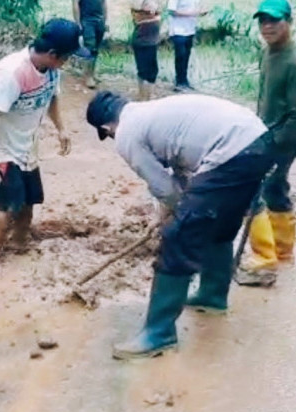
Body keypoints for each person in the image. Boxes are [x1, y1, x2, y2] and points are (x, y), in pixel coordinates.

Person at [86, 91, 274, 359]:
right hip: (258, 141)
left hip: (232, 151)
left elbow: (164, 187)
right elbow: (183, 172)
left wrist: (177, 214)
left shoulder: (127, 133)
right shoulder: (150, 113)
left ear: (107, 128)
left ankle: (159, 333)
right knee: (218, 223)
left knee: (178, 236)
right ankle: (212, 295)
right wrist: (184, 204)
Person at [0, 19, 86, 280]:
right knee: (8, 205)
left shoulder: (52, 69)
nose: (68, 62)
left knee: (31, 197)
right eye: (67, 57)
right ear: (53, 54)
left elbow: (52, 97)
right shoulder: (11, 73)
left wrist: (61, 128)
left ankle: (21, 241)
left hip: (26, 142)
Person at [235, 0, 296, 287]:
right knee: (277, 189)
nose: (267, 27)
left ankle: (263, 261)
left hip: (284, 137)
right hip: (266, 132)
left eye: (274, 21)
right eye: (263, 21)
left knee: (256, 191)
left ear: (289, 23)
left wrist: (275, 147)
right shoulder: (269, 53)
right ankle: (283, 252)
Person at [167, 0, 208, 91]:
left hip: (190, 29)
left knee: (187, 56)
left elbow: (193, 7)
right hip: (179, 30)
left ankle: (184, 81)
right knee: (180, 56)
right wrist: (193, 13)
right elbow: (171, 11)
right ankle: (179, 83)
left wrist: (200, 12)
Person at [71, 0, 108, 89]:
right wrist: (77, 22)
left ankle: (92, 73)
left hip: (99, 19)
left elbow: (103, 0)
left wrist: (106, 19)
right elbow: (75, 2)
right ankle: (87, 77)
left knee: (96, 48)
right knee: (89, 47)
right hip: (87, 19)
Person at [130, 0, 162, 100]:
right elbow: (155, 13)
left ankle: (142, 96)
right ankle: (146, 98)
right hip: (148, 39)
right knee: (150, 72)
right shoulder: (147, 0)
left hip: (138, 36)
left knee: (142, 70)